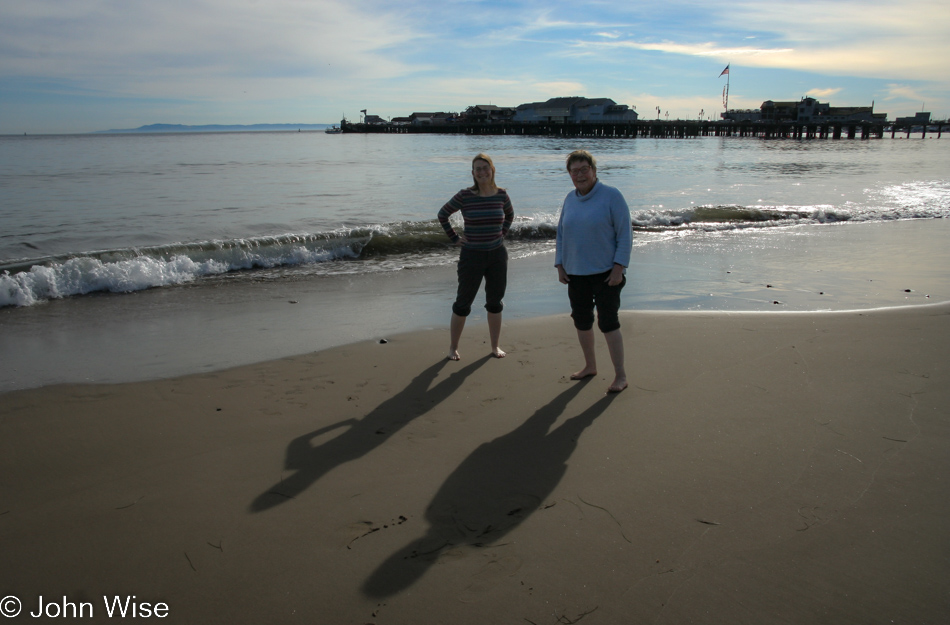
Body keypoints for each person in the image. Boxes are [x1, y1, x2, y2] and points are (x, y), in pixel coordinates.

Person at [555, 150, 633, 393]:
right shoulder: (570, 198)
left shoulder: (612, 196)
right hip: (575, 273)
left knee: (608, 323)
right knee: (582, 321)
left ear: (594, 170)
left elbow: (625, 234)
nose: (579, 175)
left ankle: (620, 375)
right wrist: (559, 264)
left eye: (584, 169)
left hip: (606, 273)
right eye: (574, 171)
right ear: (569, 175)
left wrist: (619, 267)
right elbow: (561, 233)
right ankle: (590, 366)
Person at [438, 153, 514, 361]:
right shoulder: (465, 195)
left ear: (492, 170)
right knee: (463, 303)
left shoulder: (502, 195)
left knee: (495, 302)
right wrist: (454, 238)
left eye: (485, 167)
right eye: (478, 169)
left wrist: (502, 233)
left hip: (497, 255)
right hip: (471, 256)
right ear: (473, 173)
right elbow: (443, 214)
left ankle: (495, 346)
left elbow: (509, 215)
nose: (482, 172)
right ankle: (453, 348)